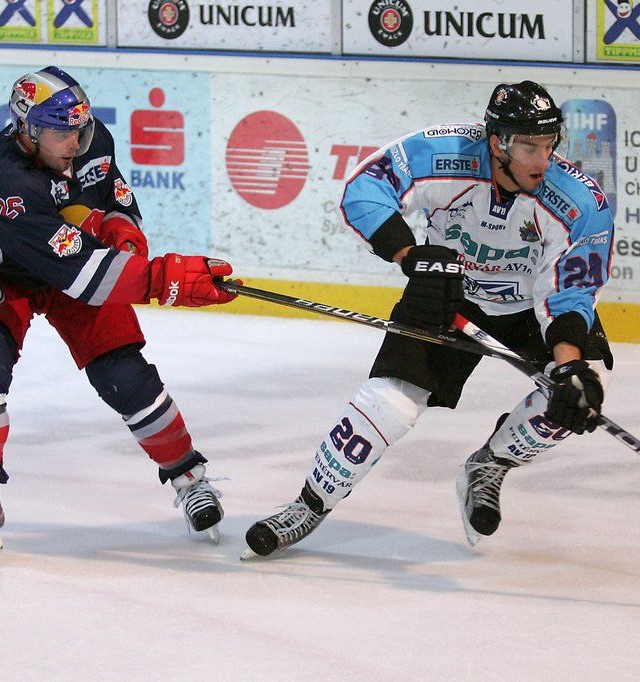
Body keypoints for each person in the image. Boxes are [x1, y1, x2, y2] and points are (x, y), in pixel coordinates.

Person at [243, 81, 614, 558]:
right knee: (389, 404)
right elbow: (364, 189)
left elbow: (569, 291)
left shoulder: (580, 202)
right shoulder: (444, 153)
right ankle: (309, 505)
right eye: (529, 146)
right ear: (497, 143)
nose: (543, 160)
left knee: (578, 392)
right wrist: (408, 254)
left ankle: (490, 464)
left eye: (549, 144)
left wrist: (567, 367)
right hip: (446, 294)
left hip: (527, 308)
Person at [0, 66, 239, 562]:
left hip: (71, 261)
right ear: (27, 129)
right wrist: (165, 278)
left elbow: (114, 199)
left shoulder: (89, 139)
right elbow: (85, 273)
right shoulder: (4, 180)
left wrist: (125, 234)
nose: (75, 142)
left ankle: (190, 477)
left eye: (80, 128)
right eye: (62, 132)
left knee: (123, 372)